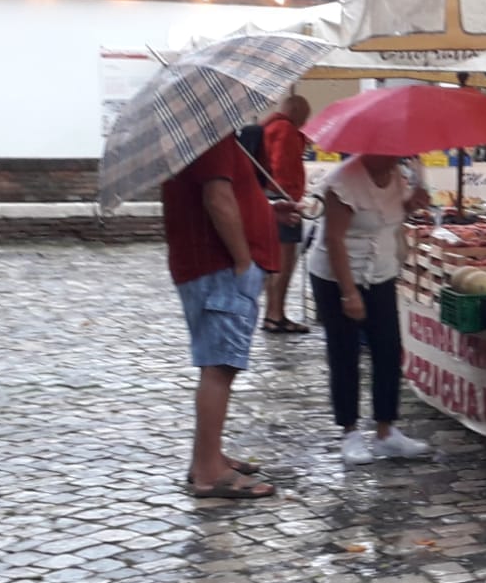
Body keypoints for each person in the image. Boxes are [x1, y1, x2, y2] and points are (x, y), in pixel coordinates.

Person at [163, 133, 281, 498]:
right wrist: (243, 261)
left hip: (213, 269)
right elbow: (218, 199)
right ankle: (208, 472)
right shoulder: (207, 136)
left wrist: (269, 211)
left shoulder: (204, 137)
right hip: (220, 270)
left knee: (218, 367)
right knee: (219, 367)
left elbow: (230, 198)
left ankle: (207, 456)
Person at [309, 152, 433, 465]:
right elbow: (333, 239)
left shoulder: (396, 176)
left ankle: (385, 430)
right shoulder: (343, 181)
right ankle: (349, 431)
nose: (398, 154)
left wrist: (410, 203)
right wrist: (348, 293)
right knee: (345, 351)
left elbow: (388, 217)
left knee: (388, 349)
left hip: (380, 272)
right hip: (338, 274)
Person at [259, 95, 311, 333]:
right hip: (283, 201)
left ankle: (272, 312)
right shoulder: (286, 130)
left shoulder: (270, 126)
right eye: (304, 117)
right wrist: (291, 199)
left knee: (273, 262)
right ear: (297, 112)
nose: (305, 122)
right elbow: (282, 167)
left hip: (269, 198)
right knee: (284, 262)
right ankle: (276, 314)